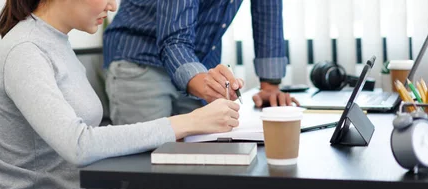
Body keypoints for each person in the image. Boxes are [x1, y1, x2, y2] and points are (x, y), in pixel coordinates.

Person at [0, 0, 240, 189]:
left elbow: (89, 135)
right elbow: (79, 145)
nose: (113, 6)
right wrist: (186, 122)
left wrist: (175, 135)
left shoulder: (55, 41)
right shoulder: (25, 50)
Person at [103, 0, 299, 126]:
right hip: (140, 56)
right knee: (148, 177)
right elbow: (174, 39)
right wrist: (206, 83)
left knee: (222, 168)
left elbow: (268, 14)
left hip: (198, 62)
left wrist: (270, 87)